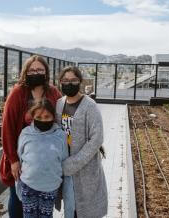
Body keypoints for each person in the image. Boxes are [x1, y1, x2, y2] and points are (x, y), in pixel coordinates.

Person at [0, 55, 62, 218]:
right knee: (17, 196)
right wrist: (12, 159)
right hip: (21, 157)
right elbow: (7, 128)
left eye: (40, 70)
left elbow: (61, 121)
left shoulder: (53, 93)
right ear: (25, 72)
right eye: (32, 70)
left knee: (44, 202)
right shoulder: (18, 94)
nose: (36, 72)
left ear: (46, 72)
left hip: (46, 159)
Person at [56, 66, 108, 218]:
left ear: (80, 82)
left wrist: (73, 163)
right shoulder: (59, 103)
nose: (69, 83)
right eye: (65, 80)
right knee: (70, 208)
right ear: (60, 82)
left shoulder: (89, 106)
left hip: (86, 169)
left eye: (73, 80)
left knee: (88, 210)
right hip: (65, 169)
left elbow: (97, 138)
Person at [15, 99, 74, 218]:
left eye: (47, 117)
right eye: (39, 117)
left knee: (46, 215)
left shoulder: (60, 135)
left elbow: (64, 160)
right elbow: (20, 156)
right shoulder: (26, 133)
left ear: (53, 116)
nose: (43, 120)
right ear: (33, 117)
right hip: (28, 185)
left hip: (50, 187)